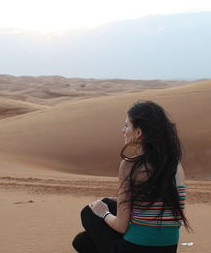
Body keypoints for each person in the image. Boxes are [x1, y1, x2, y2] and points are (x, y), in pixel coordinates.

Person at [72, 100, 190, 253]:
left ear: (139, 133)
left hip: (133, 249)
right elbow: (162, 204)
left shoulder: (129, 166)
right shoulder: (176, 166)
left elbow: (121, 227)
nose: (123, 130)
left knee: (88, 214)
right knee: (84, 240)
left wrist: (104, 213)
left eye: (127, 125)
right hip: (168, 249)